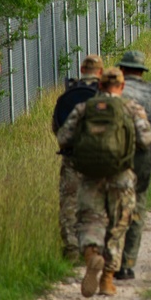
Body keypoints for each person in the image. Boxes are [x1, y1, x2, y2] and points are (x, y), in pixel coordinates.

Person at [57, 67, 151, 297]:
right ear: (122, 87)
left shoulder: (84, 108)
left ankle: (92, 256)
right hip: (121, 175)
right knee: (118, 224)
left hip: (90, 175)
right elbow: (146, 138)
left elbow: (63, 137)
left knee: (91, 219)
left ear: (99, 85)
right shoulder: (130, 108)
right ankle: (107, 280)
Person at [115, 50, 151, 280]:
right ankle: (127, 264)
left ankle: (107, 258)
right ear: (141, 70)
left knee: (111, 207)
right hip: (142, 157)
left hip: (113, 157)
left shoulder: (112, 92)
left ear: (122, 70)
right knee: (136, 210)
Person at [51, 54, 103, 261]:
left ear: (81, 70)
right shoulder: (105, 95)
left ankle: (71, 249)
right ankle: (94, 248)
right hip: (98, 158)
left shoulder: (69, 94)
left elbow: (57, 128)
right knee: (97, 204)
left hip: (72, 157)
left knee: (69, 203)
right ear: (100, 71)